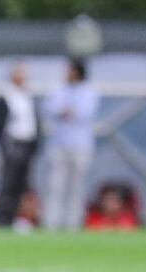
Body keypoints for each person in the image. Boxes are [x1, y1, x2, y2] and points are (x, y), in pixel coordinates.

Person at [43, 58, 99, 231]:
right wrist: (65, 112)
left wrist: (67, 112)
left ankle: (73, 223)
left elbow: (84, 112)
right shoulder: (58, 89)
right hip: (59, 143)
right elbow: (50, 108)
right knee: (56, 185)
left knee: (77, 187)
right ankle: (52, 223)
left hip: (80, 145)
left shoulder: (89, 92)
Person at [0, 61, 41, 227]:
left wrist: (36, 144)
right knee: (8, 184)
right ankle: (2, 219)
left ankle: (20, 218)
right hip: (12, 144)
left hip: (27, 144)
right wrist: (2, 144)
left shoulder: (28, 96)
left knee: (24, 185)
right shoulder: (6, 96)